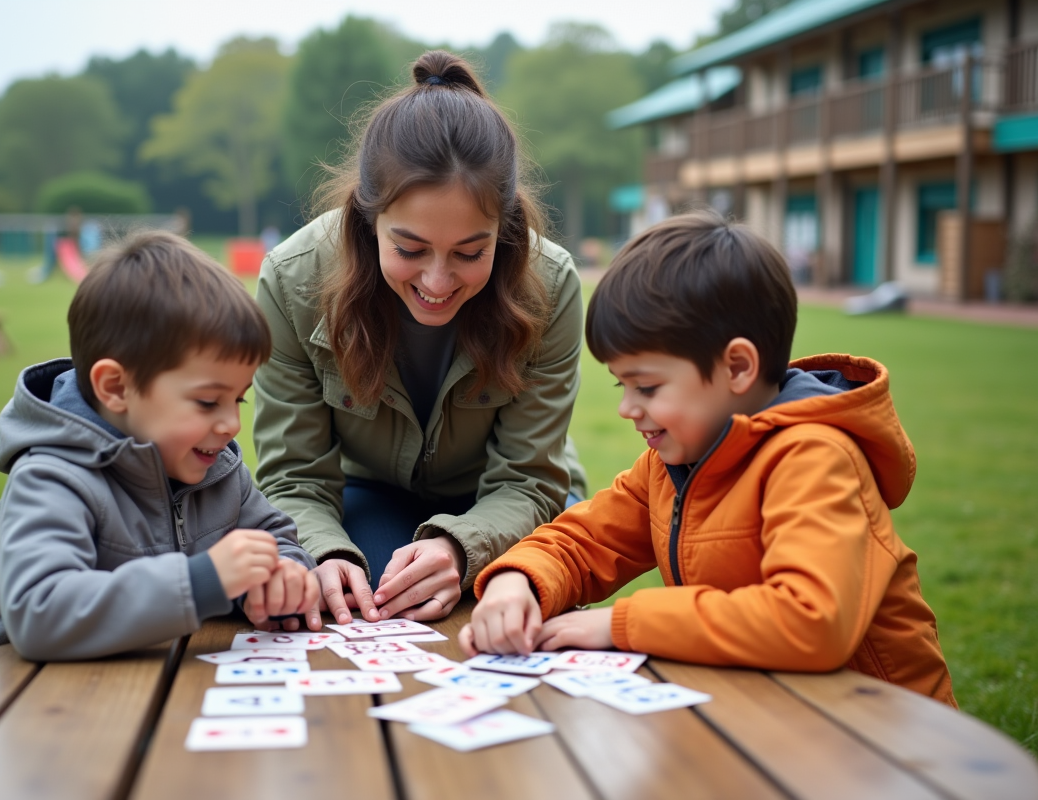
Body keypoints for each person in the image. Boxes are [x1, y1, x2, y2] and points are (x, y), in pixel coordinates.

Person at [461, 211, 956, 707]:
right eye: (622, 384)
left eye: (647, 387)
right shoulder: (669, 463)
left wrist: (621, 624)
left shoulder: (814, 457)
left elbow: (810, 621)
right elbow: (585, 539)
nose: (627, 408)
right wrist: (516, 580)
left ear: (737, 367)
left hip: (883, 738)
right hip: (773, 712)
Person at [253, 50, 587, 628]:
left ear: (504, 231)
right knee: (374, 599)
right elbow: (294, 478)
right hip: (370, 493)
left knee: (518, 596)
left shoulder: (550, 285)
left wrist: (461, 550)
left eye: (470, 253)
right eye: (408, 250)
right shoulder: (291, 279)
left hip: (512, 503)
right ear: (367, 216)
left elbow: (531, 481)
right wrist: (324, 554)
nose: (437, 282)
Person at [0, 231, 319, 661]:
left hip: (158, 689)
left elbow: (277, 538)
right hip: (29, 701)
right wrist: (204, 581)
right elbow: (39, 613)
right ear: (116, 388)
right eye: (207, 401)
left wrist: (282, 579)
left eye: (237, 399)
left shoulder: (217, 469)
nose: (230, 425)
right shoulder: (52, 476)